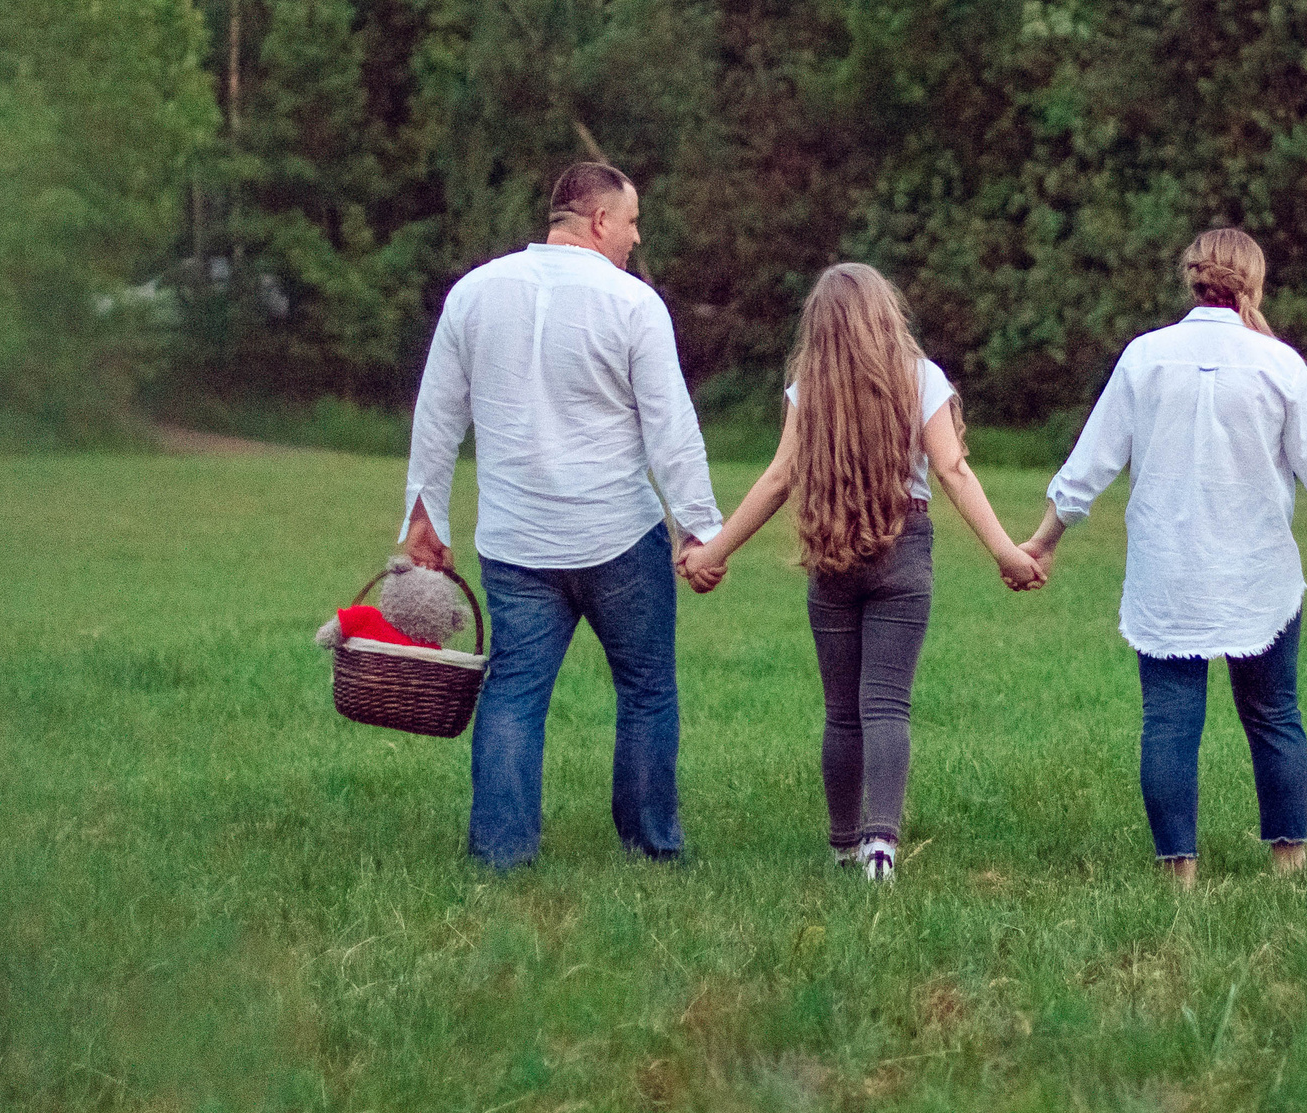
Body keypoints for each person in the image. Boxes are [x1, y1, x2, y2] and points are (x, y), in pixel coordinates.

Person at [1019, 228, 1307, 887]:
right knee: (1275, 714)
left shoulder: (1145, 356)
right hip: (1259, 577)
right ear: (1253, 282)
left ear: (1193, 278)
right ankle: (1290, 865)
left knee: (1169, 719)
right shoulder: (1280, 364)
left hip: (1169, 575)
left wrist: (1044, 539)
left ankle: (1180, 877)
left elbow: (1091, 463)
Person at [401, 162, 723, 871]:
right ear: (600, 219)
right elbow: (670, 425)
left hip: (516, 542)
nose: (637, 237)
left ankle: (501, 853)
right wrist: (700, 525)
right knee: (646, 689)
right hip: (618, 537)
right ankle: (650, 845)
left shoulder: (473, 294)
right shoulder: (634, 305)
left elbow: (438, 412)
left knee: (514, 691)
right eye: (632, 221)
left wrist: (425, 512)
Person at [677, 265, 1046, 881]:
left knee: (842, 712)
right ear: (885, 315)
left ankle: (845, 845)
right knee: (887, 707)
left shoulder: (808, 386)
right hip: (905, 547)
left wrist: (714, 553)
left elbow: (778, 480)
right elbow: (953, 471)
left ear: (818, 328)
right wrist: (1007, 552)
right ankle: (882, 847)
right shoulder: (922, 377)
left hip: (833, 550)